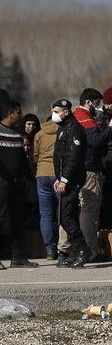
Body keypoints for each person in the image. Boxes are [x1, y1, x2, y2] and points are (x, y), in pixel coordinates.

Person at [69, 88, 112, 260]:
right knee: (90, 210)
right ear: (89, 102)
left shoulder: (74, 117)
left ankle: (68, 249)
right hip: (89, 170)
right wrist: (111, 129)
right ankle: (90, 250)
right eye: (97, 103)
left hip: (75, 170)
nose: (99, 108)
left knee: (73, 210)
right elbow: (95, 141)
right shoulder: (86, 118)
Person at [52, 99, 91, 268]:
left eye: (57, 111)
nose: (54, 114)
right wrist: (58, 178)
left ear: (66, 112)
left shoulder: (74, 128)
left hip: (72, 179)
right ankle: (75, 251)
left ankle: (82, 248)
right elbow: (60, 156)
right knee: (69, 215)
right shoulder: (63, 128)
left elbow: (73, 158)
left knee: (65, 216)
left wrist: (65, 179)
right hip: (63, 178)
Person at [0, 100, 38, 269]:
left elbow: (21, 159)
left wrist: (29, 177)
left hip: (17, 184)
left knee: (17, 220)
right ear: (10, 113)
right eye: (19, 113)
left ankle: (18, 257)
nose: (21, 117)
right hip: (2, 183)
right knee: (2, 220)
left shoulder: (17, 133)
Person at [33, 115, 59, 259]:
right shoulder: (62, 131)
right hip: (58, 175)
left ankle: (50, 249)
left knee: (46, 215)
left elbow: (35, 155)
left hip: (41, 174)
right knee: (62, 212)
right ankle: (63, 246)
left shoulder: (39, 134)